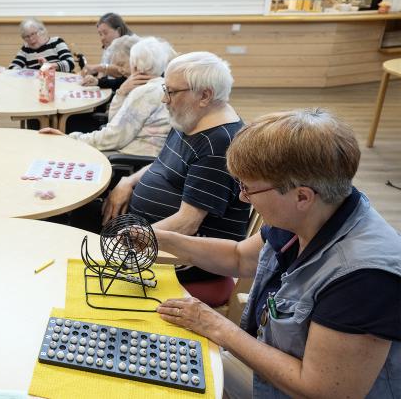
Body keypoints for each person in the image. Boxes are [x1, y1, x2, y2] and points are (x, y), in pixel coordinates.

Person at [154, 109, 401, 398]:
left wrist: (218, 327)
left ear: (302, 196)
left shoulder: (364, 279)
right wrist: (162, 239)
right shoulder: (313, 213)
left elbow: (320, 390)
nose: (242, 197)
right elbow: (238, 257)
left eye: (248, 188)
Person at [77, 51, 250, 306]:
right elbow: (161, 165)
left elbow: (187, 224)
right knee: (77, 213)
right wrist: (129, 182)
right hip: (146, 232)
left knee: (77, 244)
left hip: (182, 258)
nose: (163, 98)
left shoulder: (218, 146)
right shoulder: (191, 119)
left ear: (204, 95)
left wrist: (119, 244)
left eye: (171, 92)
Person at [41, 36, 174, 156]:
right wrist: (121, 92)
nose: (120, 69)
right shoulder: (162, 85)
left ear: (135, 65)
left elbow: (112, 137)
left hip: (132, 155)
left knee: (70, 153)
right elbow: (115, 124)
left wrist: (70, 138)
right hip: (141, 153)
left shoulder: (143, 93)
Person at [82, 12, 137, 90]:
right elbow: (107, 72)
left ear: (118, 30)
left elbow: (125, 78)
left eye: (105, 33)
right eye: (100, 34)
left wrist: (98, 79)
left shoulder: (128, 44)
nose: (102, 38)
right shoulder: (111, 45)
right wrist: (94, 73)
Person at [9, 18, 75, 72]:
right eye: (26, 36)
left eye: (33, 34)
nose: (31, 39)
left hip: (59, 83)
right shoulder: (26, 48)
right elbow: (12, 67)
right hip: (37, 84)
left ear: (42, 31)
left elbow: (70, 63)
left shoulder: (56, 42)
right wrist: (25, 72)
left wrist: (50, 66)